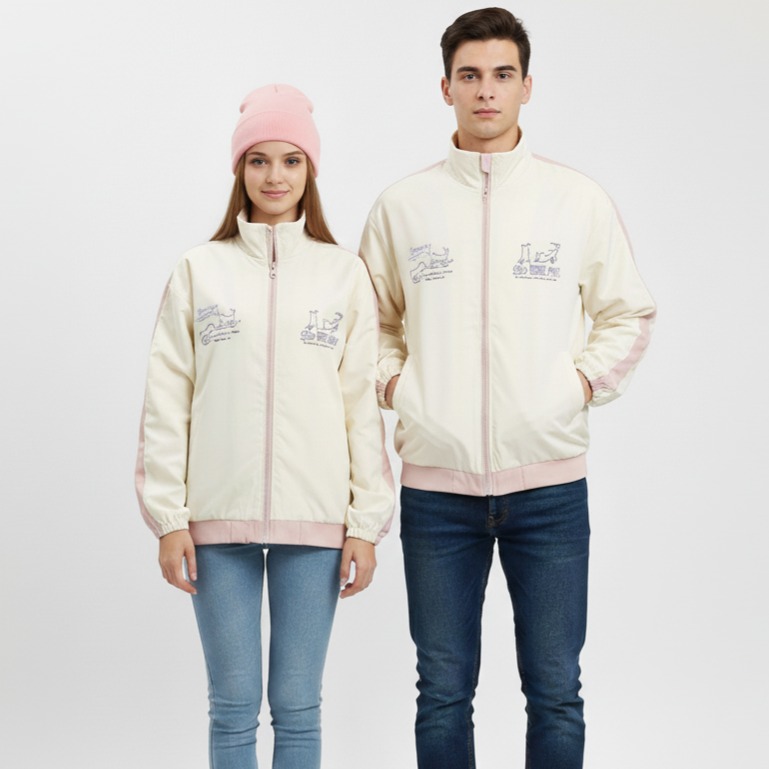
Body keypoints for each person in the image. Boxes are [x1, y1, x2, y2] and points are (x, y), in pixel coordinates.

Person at [359, 8, 656, 769]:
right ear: (445, 88)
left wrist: (577, 384)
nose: (485, 91)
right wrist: (401, 386)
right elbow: (369, 324)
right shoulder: (403, 207)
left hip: (549, 491)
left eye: (501, 75)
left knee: (555, 689)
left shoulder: (574, 200)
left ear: (527, 86)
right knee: (441, 691)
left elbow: (627, 312)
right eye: (469, 76)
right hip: (436, 494)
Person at [135, 83, 393, 769]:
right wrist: (169, 518)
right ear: (238, 169)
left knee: (298, 706)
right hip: (215, 520)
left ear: (310, 170)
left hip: (316, 519)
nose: (274, 176)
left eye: (290, 160)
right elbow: (167, 400)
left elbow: (360, 408)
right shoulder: (199, 271)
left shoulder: (344, 275)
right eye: (258, 160)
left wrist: (366, 523)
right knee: (233, 705)